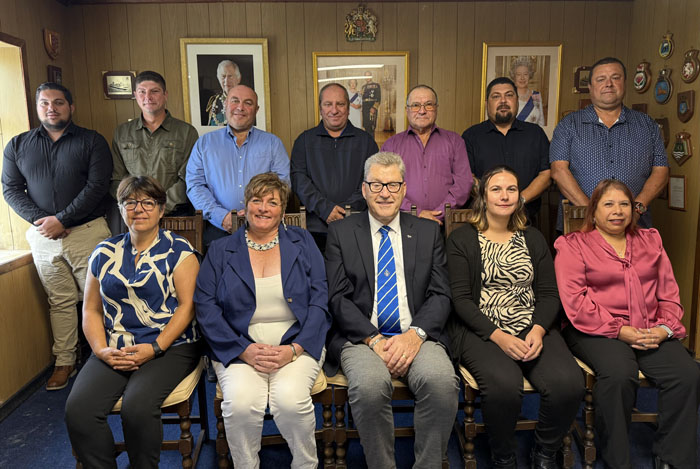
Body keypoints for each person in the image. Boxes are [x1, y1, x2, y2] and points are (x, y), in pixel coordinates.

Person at [325, 152, 459, 469]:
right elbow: (338, 297)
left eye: (392, 184)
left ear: (403, 189)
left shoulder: (427, 232)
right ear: (364, 189)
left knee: (441, 382)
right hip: (360, 338)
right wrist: (373, 340)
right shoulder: (341, 233)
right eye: (376, 184)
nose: (385, 192)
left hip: (417, 334)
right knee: (370, 388)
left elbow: (441, 293)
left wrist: (415, 336)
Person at [554, 179, 700, 469]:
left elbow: (669, 294)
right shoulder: (573, 245)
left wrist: (663, 330)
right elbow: (575, 302)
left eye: (624, 204)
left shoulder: (651, 240)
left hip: (649, 328)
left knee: (687, 374)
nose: (617, 211)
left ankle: (672, 458)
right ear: (593, 211)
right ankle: (617, 459)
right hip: (595, 330)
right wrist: (620, 331)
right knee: (620, 374)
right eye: (608, 204)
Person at [446, 166, 583, 469]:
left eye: (511, 189)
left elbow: (549, 293)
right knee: (504, 384)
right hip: (480, 328)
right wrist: (500, 336)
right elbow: (461, 301)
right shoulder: (462, 240)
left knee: (568, 382)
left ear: (519, 197)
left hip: (530, 323)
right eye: (496, 189)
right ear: (482, 195)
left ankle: (544, 451)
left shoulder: (532, 238)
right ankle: (504, 456)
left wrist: (537, 330)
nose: (505, 195)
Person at [194, 172, 330, 468]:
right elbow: (205, 307)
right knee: (241, 405)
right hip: (238, 347)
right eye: (257, 200)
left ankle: (305, 465)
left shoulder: (304, 241)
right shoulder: (219, 251)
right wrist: (242, 349)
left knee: (290, 402)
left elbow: (321, 300)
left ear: (283, 210)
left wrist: (294, 349)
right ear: (245, 206)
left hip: (297, 344)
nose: (264, 208)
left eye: (273, 202)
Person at [65, 176, 201, 469]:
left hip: (171, 345)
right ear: (121, 208)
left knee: (137, 407)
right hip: (115, 345)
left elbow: (188, 307)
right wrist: (101, 351)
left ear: (161, 210)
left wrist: (154, 347)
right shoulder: (103, 252)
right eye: (130, 202)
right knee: (79, 409)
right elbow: (91, 310)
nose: (139, 209)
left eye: (148, 203)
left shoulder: (180, 251)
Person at [2, 82, 113, 390]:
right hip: (42, 237)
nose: (51, 108)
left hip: (88, 232)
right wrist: (44, 221)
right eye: (45, 103)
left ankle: (105, 359)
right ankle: (65, 361)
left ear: (71, 107)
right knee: (60, 302)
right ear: (37, 108)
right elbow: (10, 190)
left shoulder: (92, 141)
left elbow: (98, 186)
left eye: (59, 102)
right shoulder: (18, 145)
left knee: (103, 298)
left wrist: (64, 218)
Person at [550, 56, 669, 231]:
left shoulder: (647, 125)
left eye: (615, 77)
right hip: (581, 225)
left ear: (625, 83)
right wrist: (591, 213)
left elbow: (661, 171)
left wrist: (636, 209)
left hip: (636, 225)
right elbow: (559, 171)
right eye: (601, 79)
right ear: (590, 87)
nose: (608, 84)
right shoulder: (568, 125)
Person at [186, 84, 289, 248]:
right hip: (217, 230)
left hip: (264, 228)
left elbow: (282, 184)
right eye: (235, 101)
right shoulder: (204, 144)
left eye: (248, 103)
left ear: (256, 110)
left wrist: (258, 213)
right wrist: (221, 217)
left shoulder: (272, 144)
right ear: (225, 105)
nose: (240, 107)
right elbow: (195, 185)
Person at [291, 83, 378, 251]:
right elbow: (298, 179)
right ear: (320, 108)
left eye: (340, 104)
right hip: (314, 230)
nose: (334, 110)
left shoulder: (366, 142)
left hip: (357, 228)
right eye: (328, 104)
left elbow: (372, 181)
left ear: (348, 107)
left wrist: (347, 211)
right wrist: (325, 209)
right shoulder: (304, 141)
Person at [111, 71, 198, 228]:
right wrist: (137, 206)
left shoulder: (186, 132)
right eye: (142, 92)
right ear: (135, 95)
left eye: (154, 91)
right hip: (134, 217)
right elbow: (117, 178)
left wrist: (159, 207)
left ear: (165, 95)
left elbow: (188, 178)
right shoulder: (122, 133)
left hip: (175, 215)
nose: (148, 97)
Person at [462, 77, 550, 223]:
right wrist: (495, 202)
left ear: (517, 101)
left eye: (509, 95)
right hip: (483, 219)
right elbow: (467, 177)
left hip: (527, 219)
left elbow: (546, 174)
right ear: (486, 103)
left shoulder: (535, 134)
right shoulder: (471, 136)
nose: (503, 101)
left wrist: (518, 200)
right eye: (496, 96)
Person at [381, 84, 473, 224]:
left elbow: (464, 183)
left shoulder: (455, 141)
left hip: (446, 225)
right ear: (407, 110)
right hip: (403, 223)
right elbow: (385, 185)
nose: (422, 111)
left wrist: (440, 213)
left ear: (436, 108)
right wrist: (416, 213)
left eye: (428, 105)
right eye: (416, 105)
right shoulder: (391, 145)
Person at [510, 56, 545, 127]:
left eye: (525, 74)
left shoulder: (536, 95)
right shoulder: (509, 96)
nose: (522, 78)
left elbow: (541, 122)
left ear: (530, 75)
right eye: (519, 74)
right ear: (514, 76)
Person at [207, 59, 241, 126]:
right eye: (223, 76)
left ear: (238, 78)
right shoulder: (214, 101)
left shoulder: (246, 100)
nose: (226, 81)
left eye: (230, 76)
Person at [361, 71, 381, 137]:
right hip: (365, 108)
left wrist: (374, 107)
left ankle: (372, 144)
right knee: (366, 127)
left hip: (372, 108)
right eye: (366, 76)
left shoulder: (376, 85)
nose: (367, 77)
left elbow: (378, 98)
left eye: (369, 75)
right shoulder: (363, 87)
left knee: (371, 127)